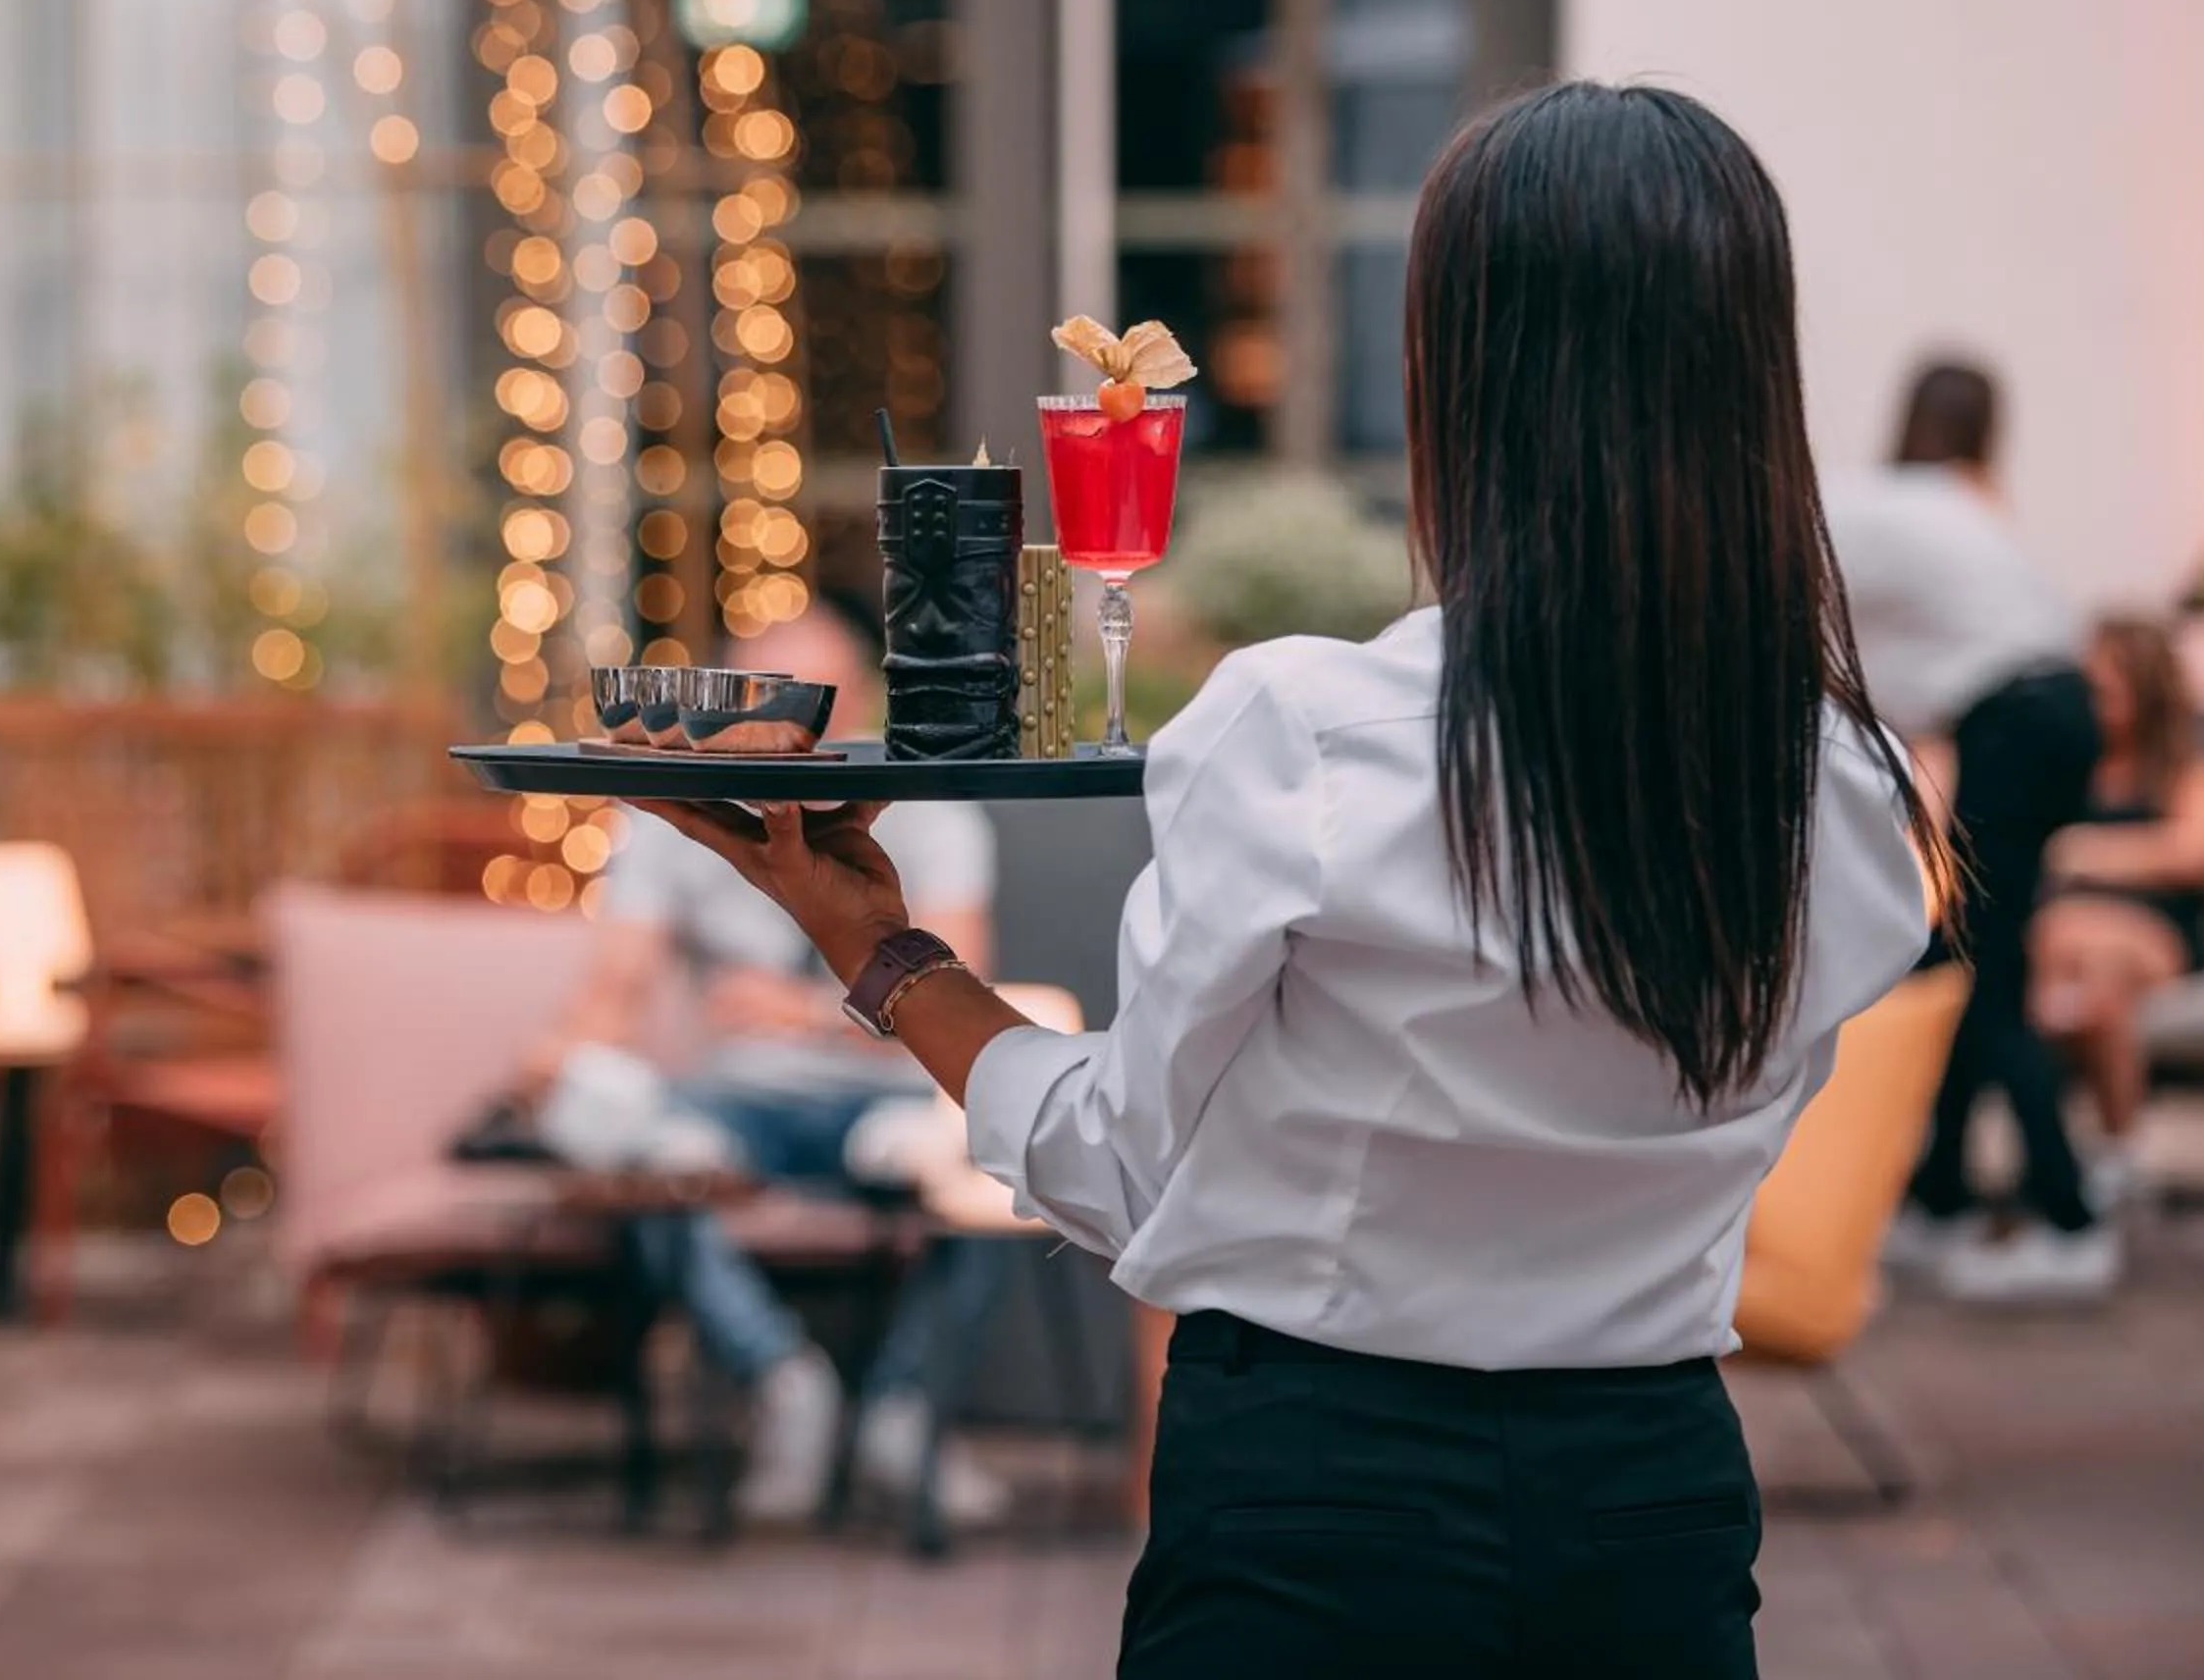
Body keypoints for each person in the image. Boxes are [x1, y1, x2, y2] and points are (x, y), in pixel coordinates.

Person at [631, 81, 1940, 1677]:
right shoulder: (1851, 794)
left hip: (1328, 1508)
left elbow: (1121, 1176)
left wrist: (883, 953)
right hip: (1653, 1509)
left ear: (1458, 376)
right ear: (1752, 380)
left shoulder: (1311, 731)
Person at [551, 590, 1011, 1528]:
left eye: (814, 699)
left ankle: (904, 1413)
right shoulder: (675, 817)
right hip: (737, 1102)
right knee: (647, 1163)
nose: (783, 728)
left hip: (889, 1099)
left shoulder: (931, 811)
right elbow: (615, 988)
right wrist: (560, 1070)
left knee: (1002, 1156)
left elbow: (967, 993)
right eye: (763, 700)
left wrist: (798, 1012)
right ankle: (782, 1383)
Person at [1826, 358, 2119, 1301]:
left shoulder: (1866, 506)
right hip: (2058, 711)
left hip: (2017, 721)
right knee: (1962, 961)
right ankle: (1938, 1197)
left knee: (1984, 977)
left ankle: (2071, 1223)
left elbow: (1792, 612)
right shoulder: (1964, 508)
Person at [2031, 615, 2204, 1191]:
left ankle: (2093, 1154)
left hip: (2156, 933)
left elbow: (2194, 851)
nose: (2091, 699)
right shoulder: (2076, 758)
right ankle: (2113, 1153)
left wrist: (2081, 852)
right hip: (2068, 940)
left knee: (2078, 942)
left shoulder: (2188, 754)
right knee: (2090, 976)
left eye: (2106, 686)